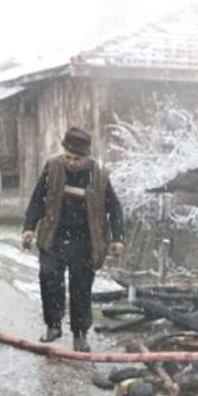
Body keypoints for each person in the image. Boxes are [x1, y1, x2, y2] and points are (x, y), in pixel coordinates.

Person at [22, 126, 125, 352]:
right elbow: (38, 198)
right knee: (48, 277)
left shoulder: (99, 175)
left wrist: (117, 238)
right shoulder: (53, 167)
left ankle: (80, 334)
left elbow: (114, 208)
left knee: (81, 287)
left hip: (85, 240)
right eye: (68, 157)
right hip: (54, 236)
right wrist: (29, 227)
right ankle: (53, 325)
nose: (71, 162)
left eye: (77, 159)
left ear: (86, 156)